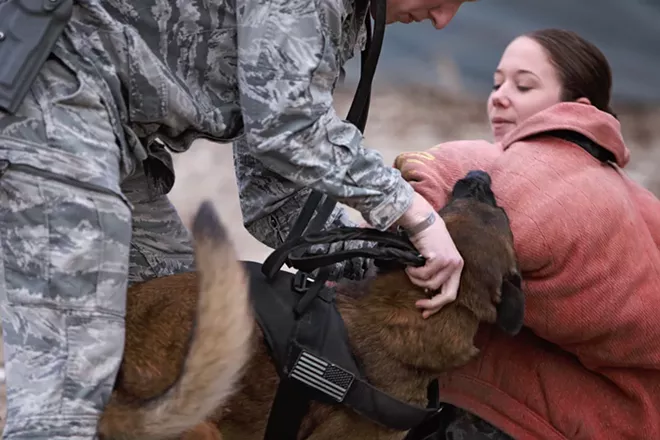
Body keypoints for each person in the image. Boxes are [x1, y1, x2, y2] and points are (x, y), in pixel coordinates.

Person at [0, 0, 475, 438]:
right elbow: (288, 125)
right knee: (69, 382)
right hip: (47, 109)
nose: (444, 20)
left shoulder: (342, 17)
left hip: (106, 139)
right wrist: (414, 213)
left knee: (180, 332)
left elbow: (273, 192)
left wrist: (375, 271)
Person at [394, 28, 660, 440]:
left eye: (523, 85)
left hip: (550, 420)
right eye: (497, 82)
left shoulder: (549, 177)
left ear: (576, 108)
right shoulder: (631, 194)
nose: (499, 96)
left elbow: (437, 177)